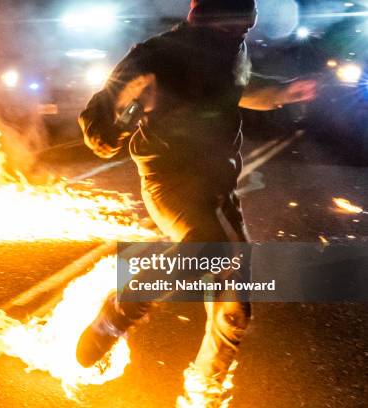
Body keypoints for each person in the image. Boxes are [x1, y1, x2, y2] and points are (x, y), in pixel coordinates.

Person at [75, 1, 317, 406]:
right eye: (231, 22)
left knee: (235, 309)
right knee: (208, 250)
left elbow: (238, 85)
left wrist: (281, 91)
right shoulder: (156, 55)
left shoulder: (231, 47)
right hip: (171, 181)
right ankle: (117, 313)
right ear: (203, 14)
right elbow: (97, 133)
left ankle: (205, 388)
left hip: (219, 188)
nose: (238, 30)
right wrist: (127, 113)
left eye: (244, 22)